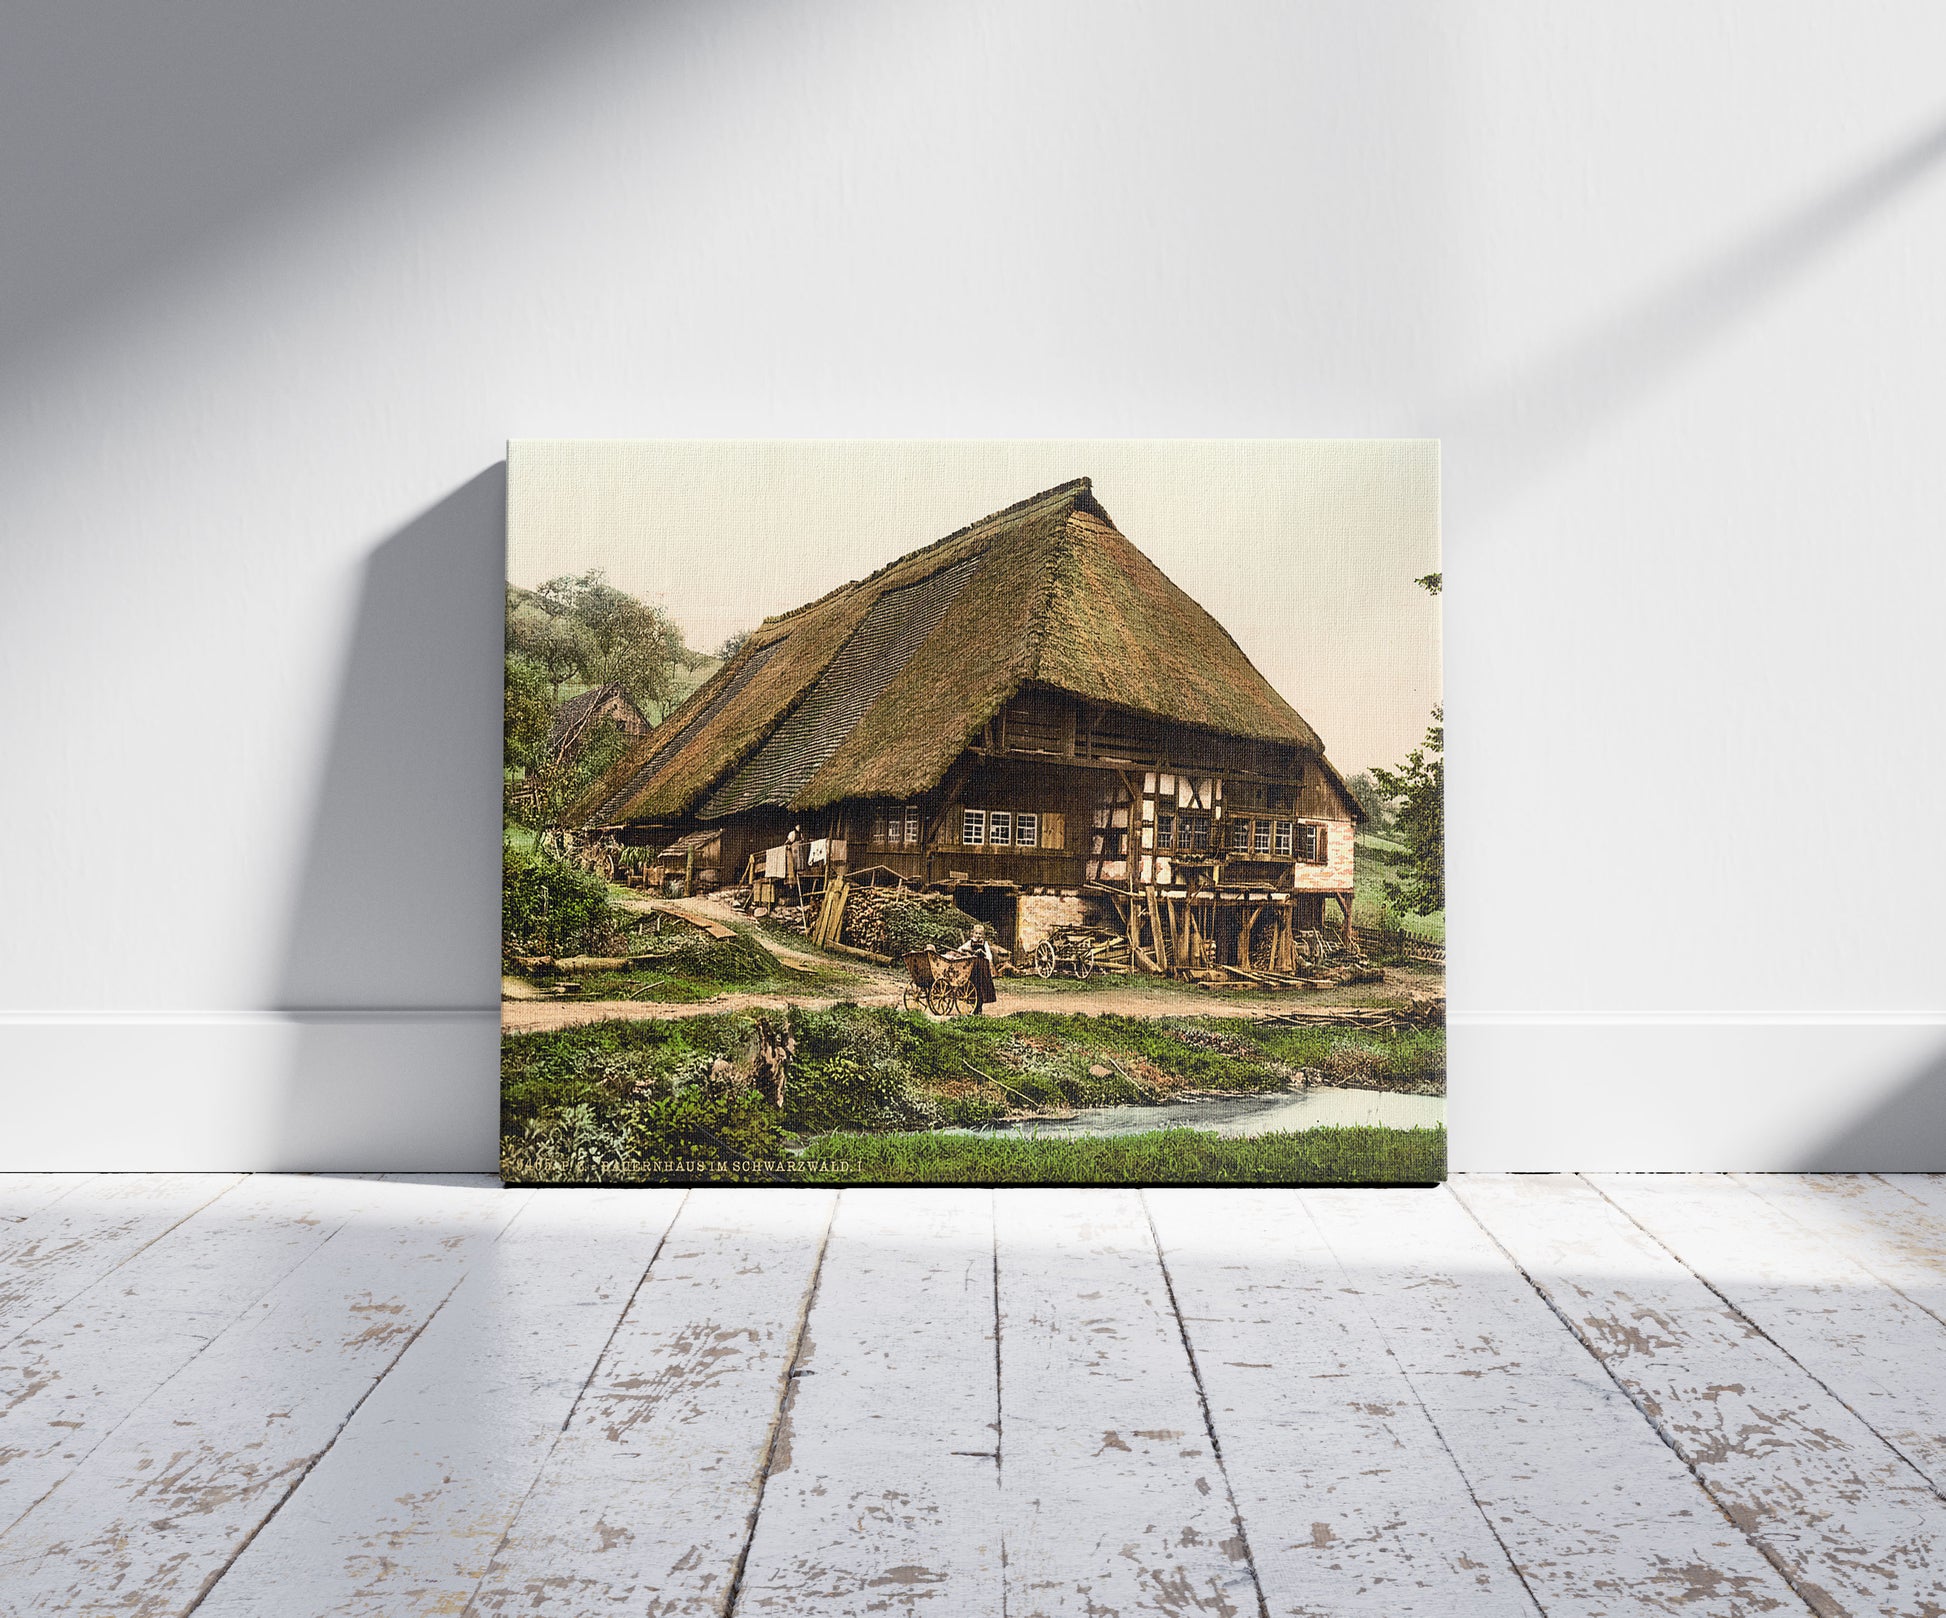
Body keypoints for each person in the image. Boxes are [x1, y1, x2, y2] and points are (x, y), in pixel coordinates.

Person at [965, 924, 998, 1013]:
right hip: (973, 968)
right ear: (973, 934)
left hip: (982, 968)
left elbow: (989, 955)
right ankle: (974, 1005)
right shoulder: (970, 942)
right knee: (973, 985)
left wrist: (983, 953)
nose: (978, 936)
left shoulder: (984, 943)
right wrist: (968, 952)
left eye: (980, 934)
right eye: (976, 933)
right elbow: (961, 948)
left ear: (982, 935)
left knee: (982, 986)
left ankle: (979, 1007)